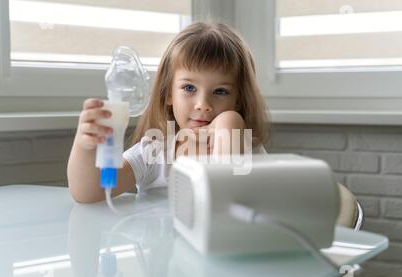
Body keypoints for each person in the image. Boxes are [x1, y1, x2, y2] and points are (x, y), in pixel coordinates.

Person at [67, 21, 270, 203]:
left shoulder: (248, 150)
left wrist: (229, 122)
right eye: (189, 88)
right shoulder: (155, 152)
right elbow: (89, 193)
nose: (202, 104)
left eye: (220, 91)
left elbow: (228, 194)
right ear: (168, 94)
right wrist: (85, 146)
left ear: (239, 100)